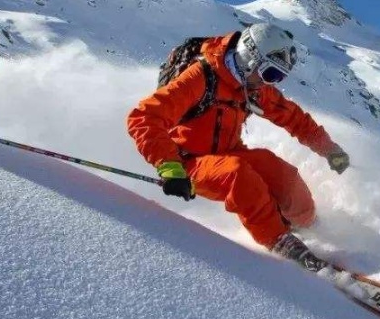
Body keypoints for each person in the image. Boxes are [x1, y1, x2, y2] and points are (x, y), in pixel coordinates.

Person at [126, 23, 350, 271]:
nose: (271, 84)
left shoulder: (252, 87)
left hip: (230, 151)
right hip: (188, 163)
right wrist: (170, 168)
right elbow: (144, 117)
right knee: (238, 173)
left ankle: (311, 227)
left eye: (279, 77)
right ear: (249, 59)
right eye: (271, 75)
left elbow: (293, 118)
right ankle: (282, 242)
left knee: (280, 172)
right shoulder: (202, 77)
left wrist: (329, 149)